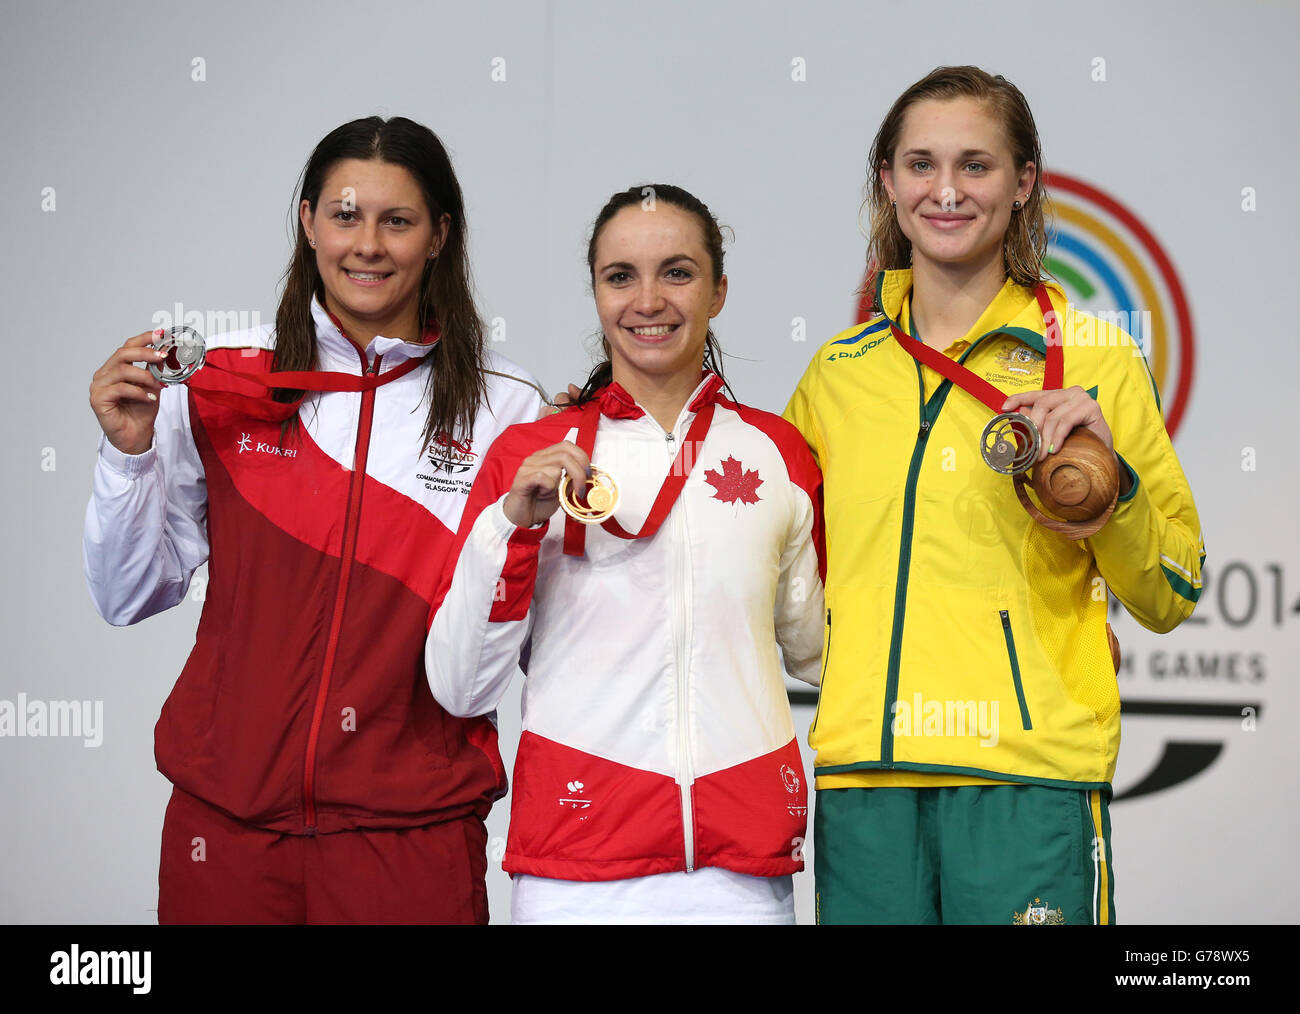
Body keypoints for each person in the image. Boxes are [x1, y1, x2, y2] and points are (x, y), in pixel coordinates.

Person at [83, 116, 547, 924]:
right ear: (307, 221)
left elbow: (530, 633)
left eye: (397, 221)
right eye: (344, 215)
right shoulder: (225, 376)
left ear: (439, 235)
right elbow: (129, 595)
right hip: (226, 828)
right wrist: (127, 457)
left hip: (410, 833)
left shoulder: (508, 405)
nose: (367, 244)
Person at [784, 66, 1204, 924]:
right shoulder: (838, 373)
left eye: (976, 165)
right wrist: (614, 425)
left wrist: (1112, 487)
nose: (946, 190)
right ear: (887, 183)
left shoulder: (1095, 358)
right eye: (920, 164)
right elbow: (750, 527)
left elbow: (1174, 586)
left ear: (1024, 184)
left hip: (1027, 775)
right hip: (867, 778)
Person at [426, 184, 825, 924]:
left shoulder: (778, 454)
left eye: (677, 272)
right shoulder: (531, 456)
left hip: (739, 871)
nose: (648, 300)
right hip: (574, 865)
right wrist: (513, 525)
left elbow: (820, 652)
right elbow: (459, 685)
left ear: (719, 290)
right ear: (596, 292)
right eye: (621, 276)